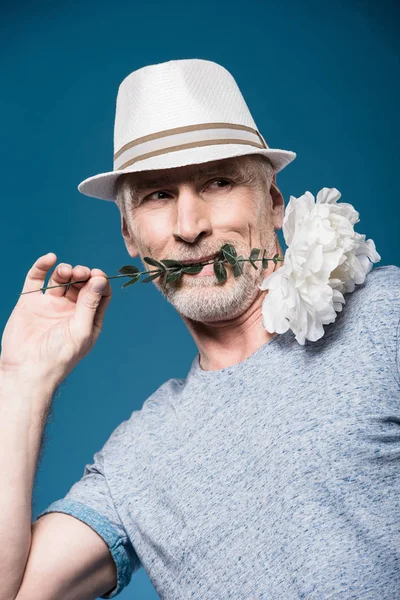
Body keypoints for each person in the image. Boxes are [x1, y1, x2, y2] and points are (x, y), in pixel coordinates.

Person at [0, 59, 398, 600]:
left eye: (218, 182)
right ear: (130, 237)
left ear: (275, 202)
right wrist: (23, 380)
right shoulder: (138, 459)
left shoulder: (385, 316)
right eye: (158, 196)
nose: (190, 228)